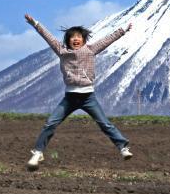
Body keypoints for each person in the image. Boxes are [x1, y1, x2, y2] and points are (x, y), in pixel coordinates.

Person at [24, 13, 133, 170]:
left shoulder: (90, 50)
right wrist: (35, 23)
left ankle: (123, 148)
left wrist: (123, 30)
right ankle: (38, 153)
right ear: (68, 40)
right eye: (72, 37)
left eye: (78, 37)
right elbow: (47, 37)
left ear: (83, 39)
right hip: (70, 98)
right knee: (50, 123)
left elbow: (107, 40)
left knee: (105, 124)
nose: (75, 39)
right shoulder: (62, 51)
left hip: (88, 97)